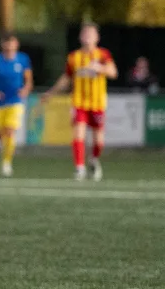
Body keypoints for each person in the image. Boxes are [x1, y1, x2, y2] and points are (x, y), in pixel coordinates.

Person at [43, 23, 117, 181]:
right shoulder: (73, 57)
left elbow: (113, 72)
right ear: (80, 37)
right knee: (78, 134)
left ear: (97, 37)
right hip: (79, 102)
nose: (88, 36)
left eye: (91, 34)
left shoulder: (103, 55)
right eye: (85, 33)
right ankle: (79, 167)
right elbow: (66, 78)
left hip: (97, 103)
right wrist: (51, 92)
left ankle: (94, 160)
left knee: (99, 141)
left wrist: (100, 68)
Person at [0, 33, 33, 178]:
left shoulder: (23, 59)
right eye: (7, 43)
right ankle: (7, 150)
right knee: (0, 134)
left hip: (15, 101)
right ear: (2, 44)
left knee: (10, 130)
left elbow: (28, 79)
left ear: (16, 44)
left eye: (12, 43)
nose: (9, 46)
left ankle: (6, 163)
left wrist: (25, 89)